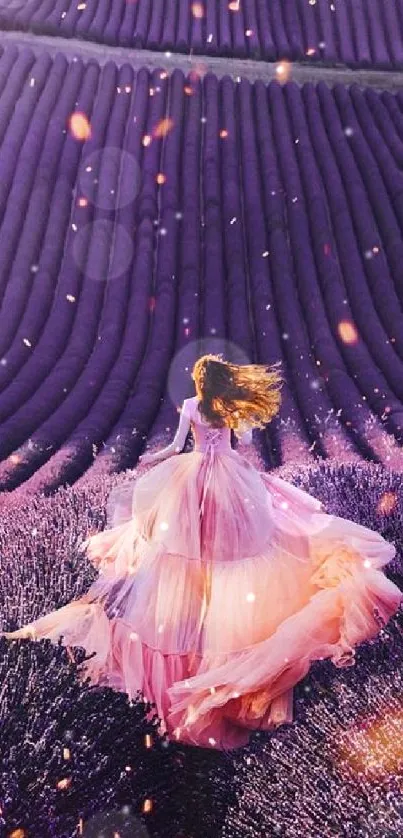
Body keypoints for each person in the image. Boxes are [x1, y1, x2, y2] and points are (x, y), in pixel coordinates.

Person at [3, 354, 402, 751]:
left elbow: (177, 445)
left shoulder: (191, 406)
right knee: (243, 551)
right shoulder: (227, 407)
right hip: (230, 480)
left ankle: (192, 630)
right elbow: (244, 442)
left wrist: (152, 459)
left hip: (192, 479)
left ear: (197, 381)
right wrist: (235, 422)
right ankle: (223, 634)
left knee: (183, 554)